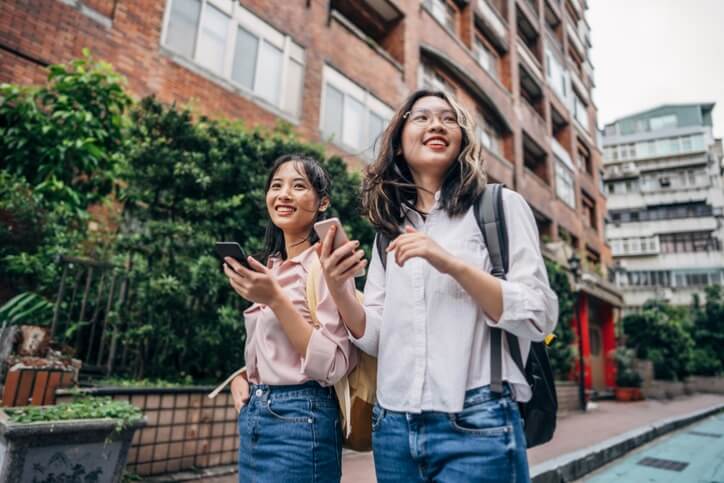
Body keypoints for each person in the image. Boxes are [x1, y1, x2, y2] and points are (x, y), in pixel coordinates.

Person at [318, 90, 559, 483]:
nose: (435, 125)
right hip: (393, 428)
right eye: (422, 117)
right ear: (398, 141)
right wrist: (341, 289)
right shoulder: (389, 232)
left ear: (462, 139)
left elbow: (538, 316)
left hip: (477, 422)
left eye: (448, 119)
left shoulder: (499, 207)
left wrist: (448, 262)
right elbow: (378, 336)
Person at [221, 154, 356, 483]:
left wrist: (276, 300)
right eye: (276, 186)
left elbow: (334, 365)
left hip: (302, 417)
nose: (283, 194)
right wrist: (242, 379)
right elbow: (272, 348)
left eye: (298, 186)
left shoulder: (328, 266)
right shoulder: (270, 268)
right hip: (255, 415)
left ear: (323, 202)